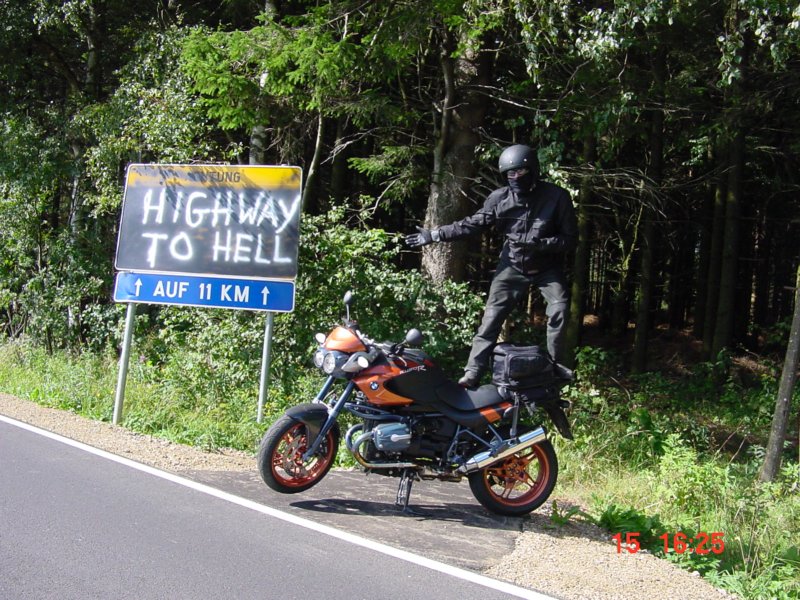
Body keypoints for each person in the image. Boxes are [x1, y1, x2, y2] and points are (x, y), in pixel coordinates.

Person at [405, 144, 578, 387]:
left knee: (559, 310)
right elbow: (472, 224)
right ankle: (472, 373)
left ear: (532, 169)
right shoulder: (500, 199)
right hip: (512, 266)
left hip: (547, 268)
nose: (514, 178)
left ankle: (556, 367)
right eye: (509, 174)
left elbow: (571, 240)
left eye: (519, 172)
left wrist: (543, 244)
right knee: (490, 320)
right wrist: (435, 235)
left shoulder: (557, 197)